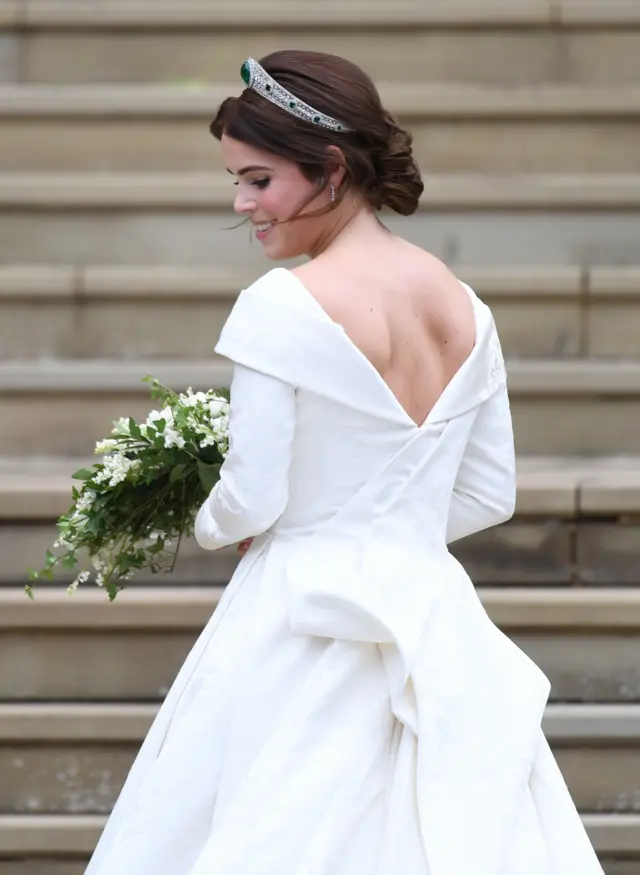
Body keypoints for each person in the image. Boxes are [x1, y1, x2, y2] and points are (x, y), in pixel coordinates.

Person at [85, 51, 604, 875]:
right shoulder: (467, 308)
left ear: (330, 169)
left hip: (298, 619)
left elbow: (252, 497)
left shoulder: (281, 306)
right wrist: (389, 531)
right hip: (433, 613)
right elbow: (488, 491)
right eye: (236, 182)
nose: (242, 204)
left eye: (258, 181)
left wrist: (210, 519)